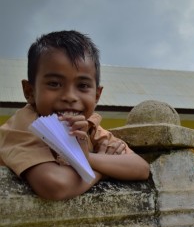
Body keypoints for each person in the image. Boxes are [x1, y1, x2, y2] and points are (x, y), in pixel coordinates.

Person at [0, 30, 150, 200]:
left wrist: (88, 158)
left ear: (96, 96)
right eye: (54, 84)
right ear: (30, 91)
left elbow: (141, 168)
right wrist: (104, 165)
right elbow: (56, 186)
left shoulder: (90, 127)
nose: (70, 96)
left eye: (83, 85)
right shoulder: (23, 126)